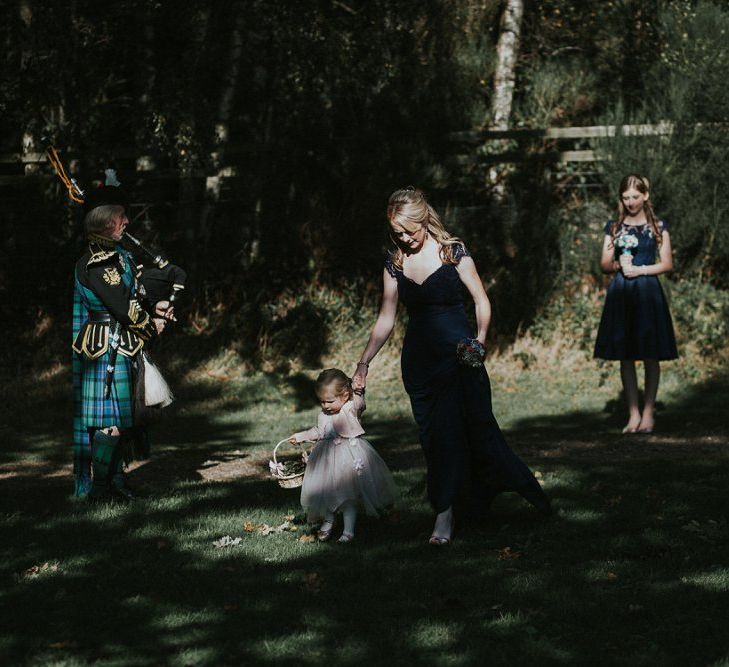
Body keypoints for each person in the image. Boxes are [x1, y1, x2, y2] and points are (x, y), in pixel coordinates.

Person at [352, 187, 550, 546]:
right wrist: (363, 363)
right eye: (398, 233)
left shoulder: (452, 253)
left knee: (478, 432)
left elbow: (481, 301)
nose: (405, 239)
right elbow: (385, 319)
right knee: (435, 440)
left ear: (424, 220)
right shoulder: (394, 264)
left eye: (410, 231)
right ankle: (446, 511)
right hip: (420, 364)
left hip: (461, 360)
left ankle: (520, 496)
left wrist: (481, 341)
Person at [72, 184, 174, 500]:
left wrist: (154, 307)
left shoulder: (118, 256)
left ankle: (115, 482)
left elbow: (133, 297)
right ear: (104, 221)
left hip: (121, 345)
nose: (126, 222)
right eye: (121, 217)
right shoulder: (98, 262)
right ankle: (101, 490)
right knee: (109, 422)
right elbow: (122, 308)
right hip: (105, 349)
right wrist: (151, 326)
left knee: (123, 422)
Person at [594, 174, 677, 433]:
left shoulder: (657, 226)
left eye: (635, 197)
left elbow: (667, 263)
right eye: (626, 197)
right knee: (625, 354)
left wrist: (640, 270)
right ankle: (633, 414)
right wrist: (618, 264)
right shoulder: (614, 227)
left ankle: (649, 413)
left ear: (645, 196)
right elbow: (604, 264)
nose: (630, 202)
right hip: (621, 292)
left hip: (648, 290)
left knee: (651, 353)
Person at [288, 368, 397, 543]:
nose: (325, 406)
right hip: (327, 460)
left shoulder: (350, 409)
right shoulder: (323, 415)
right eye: (322, 402)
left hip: (348, 457)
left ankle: (348, 530)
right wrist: (301, 436)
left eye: (329, 401)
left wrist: (359, 391)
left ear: (345, 396)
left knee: (348, 495)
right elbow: (318, 431)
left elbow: (360, 404)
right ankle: (329, 520)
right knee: (327, 491)